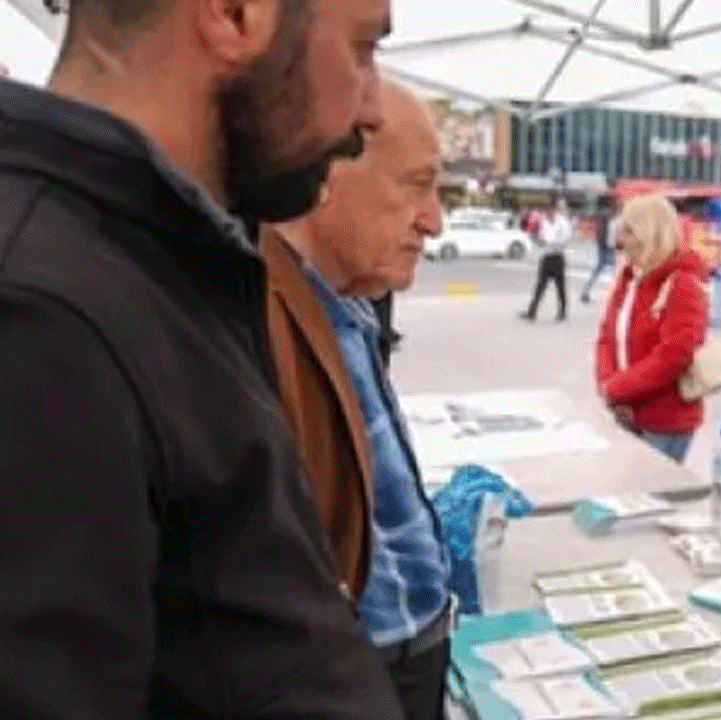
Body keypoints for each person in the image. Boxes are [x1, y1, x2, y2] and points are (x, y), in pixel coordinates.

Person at [0, 0, 404, 717]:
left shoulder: (158, 253)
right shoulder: (39, 312)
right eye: (364, 50)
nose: (371, 110)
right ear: (234, 13)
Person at [264, 79, 454, 720]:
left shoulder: (338, 305)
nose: (434, 220)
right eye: (418, 185)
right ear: (328, 177)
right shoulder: (264, 320)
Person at [594, 193, 711, 462]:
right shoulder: (630, 278)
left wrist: (616, 389)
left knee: (649, 496)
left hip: (665, 421)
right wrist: (609, 386)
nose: (621, 241)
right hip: (627, 411)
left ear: (650, 234)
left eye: (629, 231)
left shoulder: (682, 283)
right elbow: (607, 337)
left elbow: (673, 356)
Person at [521, 197, 572, 321]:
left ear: (555, 210)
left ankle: (562, 312)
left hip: (558, 257)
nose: (548, 213)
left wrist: (549, 242)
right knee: (540, 286)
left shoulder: (563, 222)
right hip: (546, 257)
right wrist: (536, 239)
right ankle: (532, 312)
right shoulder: (544, 222)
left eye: (550, 210)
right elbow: (541, 237)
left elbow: (565, 239)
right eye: (546, 210)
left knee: (560, 287)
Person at [581, 201, 617, 303]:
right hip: (606, 246)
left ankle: (586, 291)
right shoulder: (606, 216)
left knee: (602, 268)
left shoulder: (607, 216)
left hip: (608, 245)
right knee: (611, 268)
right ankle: (586, 291)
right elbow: (601, 231)